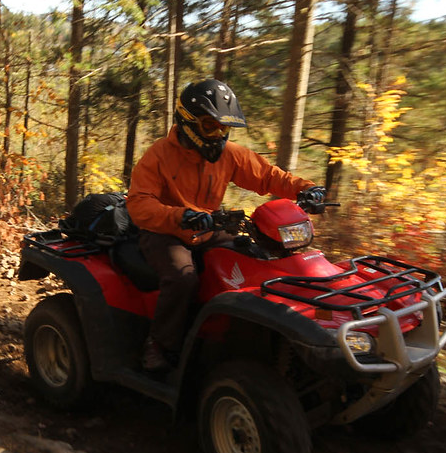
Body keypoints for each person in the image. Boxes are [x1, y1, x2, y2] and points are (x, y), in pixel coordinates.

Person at [126, 78, 326, 372]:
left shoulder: (230, 155)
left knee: (254, 263)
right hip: (164, 232)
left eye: (224, 128)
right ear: (188, 122)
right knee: (183, 278)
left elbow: (268, 176)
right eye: (210, 126)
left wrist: (306, 189)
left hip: (208, 227)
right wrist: (180, 216)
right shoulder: (158, 155)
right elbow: (138, 204)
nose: (218, 135)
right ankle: (159, 345)